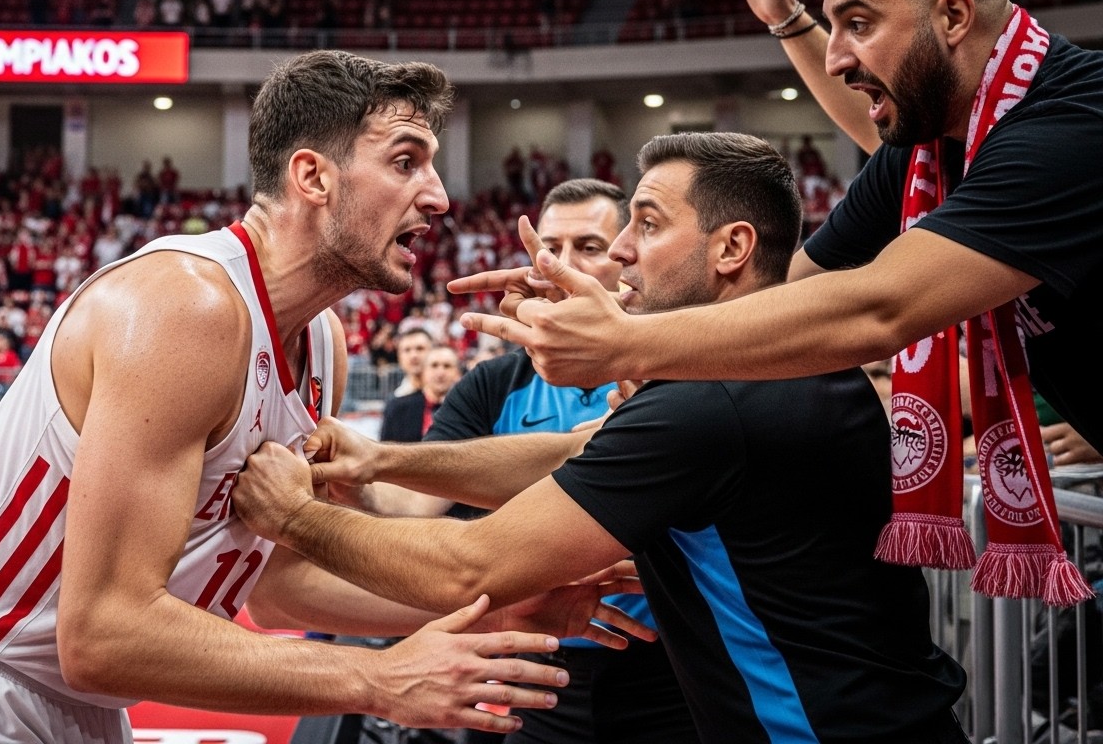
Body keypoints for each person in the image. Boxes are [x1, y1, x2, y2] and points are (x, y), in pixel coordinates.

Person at [0, 50, 635, 744]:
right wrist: (379, 679)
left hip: (71, 700)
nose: (438, 196)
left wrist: (500, 614)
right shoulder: (186, 307)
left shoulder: (320, 339)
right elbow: (103, 633)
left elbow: (281, 588)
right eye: (404, 161)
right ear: (312, 175)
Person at [236, 132, 970, 744]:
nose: (620, 252)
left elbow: (467, 566)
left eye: (644, 224)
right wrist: (383, 457)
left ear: (731, 249)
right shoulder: (782, 366)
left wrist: (294, 516)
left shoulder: (706, 403)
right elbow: (573, 453)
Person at [454, 0, 1103, 456]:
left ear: (955, 15)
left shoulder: (1071, 128)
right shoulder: (931, 153)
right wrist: (611, 308)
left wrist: (624, 344)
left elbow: (877, 309)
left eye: (859, 23)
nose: (837, 59)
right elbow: (779, 294)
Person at [365, 178, 698, 744]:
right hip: (535, 660)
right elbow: (409, 504)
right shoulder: (494, 384)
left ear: (626, 254)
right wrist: (339, 475)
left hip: (678, 668)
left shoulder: (681, 366)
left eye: (588, 248)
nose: (560, 266)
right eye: (549, 249)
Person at [379, 345, 461, 443]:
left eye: (447, 366)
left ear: (457, 373)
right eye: (434, 365)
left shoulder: (466, 410)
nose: (440, 372)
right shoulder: (397, 407)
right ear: (424, 371)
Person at [391, 326, 434, 398]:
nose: (413, 356)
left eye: (420, 348)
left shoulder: (450, 397)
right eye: (407, 350)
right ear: (399, 357)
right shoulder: (396, 399)